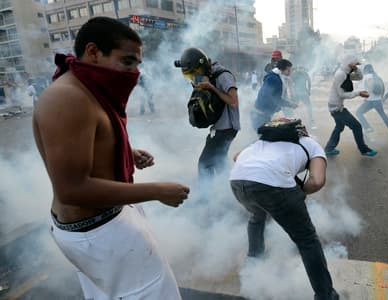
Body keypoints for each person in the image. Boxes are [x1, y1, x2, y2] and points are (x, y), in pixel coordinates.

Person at [32, 17, 189, 299]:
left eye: (137, 64)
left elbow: (80, 146)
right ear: (93, 52)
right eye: (127, 61)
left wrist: (125, 152)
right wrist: (158, 191)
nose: (134, 72)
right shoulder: (68, 98)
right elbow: (72, 189)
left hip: (99, 230)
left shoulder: (86, 90)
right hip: (99, 233)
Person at [230, 118, 339, 300]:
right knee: (307, 240)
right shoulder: (311, 144)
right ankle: (325, 295)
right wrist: (298, 192)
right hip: (272, 184)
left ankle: (254, 262)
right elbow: (317, 181)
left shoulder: (263, 141)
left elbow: (236, 157)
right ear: (302, 132)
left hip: (237, 182)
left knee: (257, 216)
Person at [176, 48, 240, 179]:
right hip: (220, 126)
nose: (194, 76)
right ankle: (227, 189)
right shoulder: (209, 75)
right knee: (219, 162)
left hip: (226, 128)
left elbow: (233, 102)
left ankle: (206, 197)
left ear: (203, 65)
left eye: (196, 72)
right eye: (191, 75)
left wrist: (211, 87)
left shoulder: (223, 75)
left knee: (205, 164)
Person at [324, 54, 377, 157]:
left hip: (336, 105)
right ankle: (364, 149)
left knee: (339, 127)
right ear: (349, 64)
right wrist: (359, 93)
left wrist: (356, 69)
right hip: (336, 107)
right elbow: (341, 94)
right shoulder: (341, 74)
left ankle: (329, 148)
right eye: (355, 64)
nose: (356, 66)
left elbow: (359, 77)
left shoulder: (345, 73)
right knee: (357, 126)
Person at [251, 59, 296, 131]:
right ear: (282, 70)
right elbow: (274, 98)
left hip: (261, 114)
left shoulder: (273, 76)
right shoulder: (275, 79)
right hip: (260, 115)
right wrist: (290, 104)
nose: (290, 73)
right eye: (288, 70)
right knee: (261, 139)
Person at [356, 64, 388, 136]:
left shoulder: (367, 77)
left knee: (358, 112)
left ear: (366, 70)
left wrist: (367, 97)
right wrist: (381, 97)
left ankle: (368, 128)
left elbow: (369, 87)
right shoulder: (377, 76)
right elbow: (382, 87)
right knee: (383, 115)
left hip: (371, 100)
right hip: (377, 100)